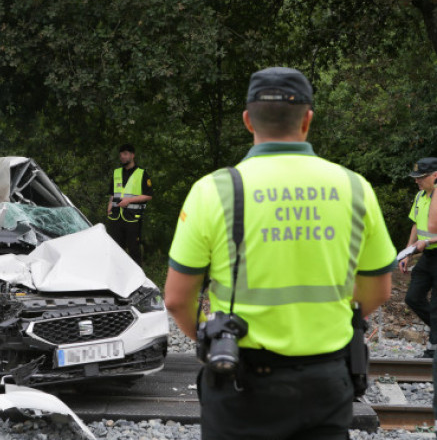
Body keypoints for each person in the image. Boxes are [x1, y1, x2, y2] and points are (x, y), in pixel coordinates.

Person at [164, 67, 395, 440]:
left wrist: (210, 337)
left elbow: (176, 299)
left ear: (246, 120)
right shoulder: (355, 188)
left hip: (241, 377)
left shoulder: (214, 191)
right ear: (308, 120)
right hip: (327, 379)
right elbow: (378, 291)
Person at [399, 157, 437, 359]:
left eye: (421, 177)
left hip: (431, 249)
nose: (417, 181)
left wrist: (428, 242)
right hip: (427, 255)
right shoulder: (420, 196)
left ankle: (433, 349)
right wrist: (408, 252)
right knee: (413, 297)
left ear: (435, 175)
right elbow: (415, 225)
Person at [107, 143, 152, 265]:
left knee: (134, 250)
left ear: (132, 155)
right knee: (115, 249)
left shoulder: (142, 173)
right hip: (115, 217)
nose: (122, 156)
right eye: (121, 154)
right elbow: (112, 194)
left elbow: (148, 195)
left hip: (132, 217)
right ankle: (118, 279)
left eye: (125, 154)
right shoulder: (116, 173)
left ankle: (138, 280)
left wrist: (129, 201)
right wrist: (109, 208)